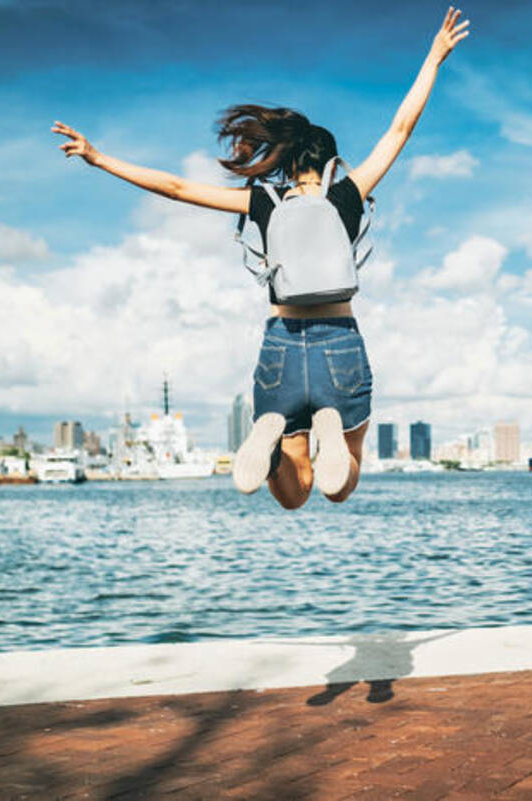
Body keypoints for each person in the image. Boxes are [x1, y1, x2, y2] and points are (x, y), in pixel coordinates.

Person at [53, 8, 470, 508]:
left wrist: (100, 159)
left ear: (288, 162)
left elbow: (177, 188)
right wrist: (433, 58)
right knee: (340, 486)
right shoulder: (349, 195)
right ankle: (333, 431)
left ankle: (271, 449)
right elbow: (400, 128)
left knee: (294, 496)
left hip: (281, 348)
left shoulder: (263, 203)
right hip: (339, 340)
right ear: (331, 163)